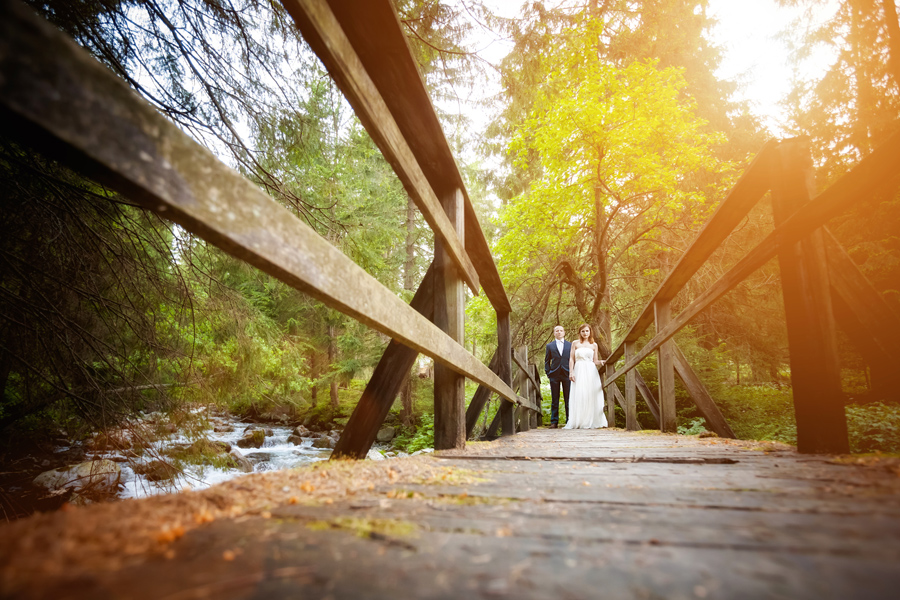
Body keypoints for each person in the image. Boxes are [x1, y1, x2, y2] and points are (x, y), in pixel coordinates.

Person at [564, 323, 609, 429]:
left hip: (590, 370)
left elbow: (595, 360)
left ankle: (592, 419)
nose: (585, 333)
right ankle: (579, 420)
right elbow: (571, 359)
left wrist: (601, 362)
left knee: (590, 393)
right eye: (583, 331)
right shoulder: (575, 343)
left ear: (590, 332)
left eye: (587, 331)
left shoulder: (594, 345)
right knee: (580, 393)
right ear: (580, 332)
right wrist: (571, 372)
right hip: (579, 369)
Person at [544, 325, 571, 429]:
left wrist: (572, 372)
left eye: (561, 331)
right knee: (554, 398)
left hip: (567, 374)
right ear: (554, 333)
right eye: (557, 331)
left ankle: (569, 420)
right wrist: (548, 372)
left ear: (564, 332)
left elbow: (573, 359)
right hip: (554, 375)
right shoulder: (550, 346)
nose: (559, 332)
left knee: (568, 398)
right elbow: (547, 360)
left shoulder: (570, 345)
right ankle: (554, 421)